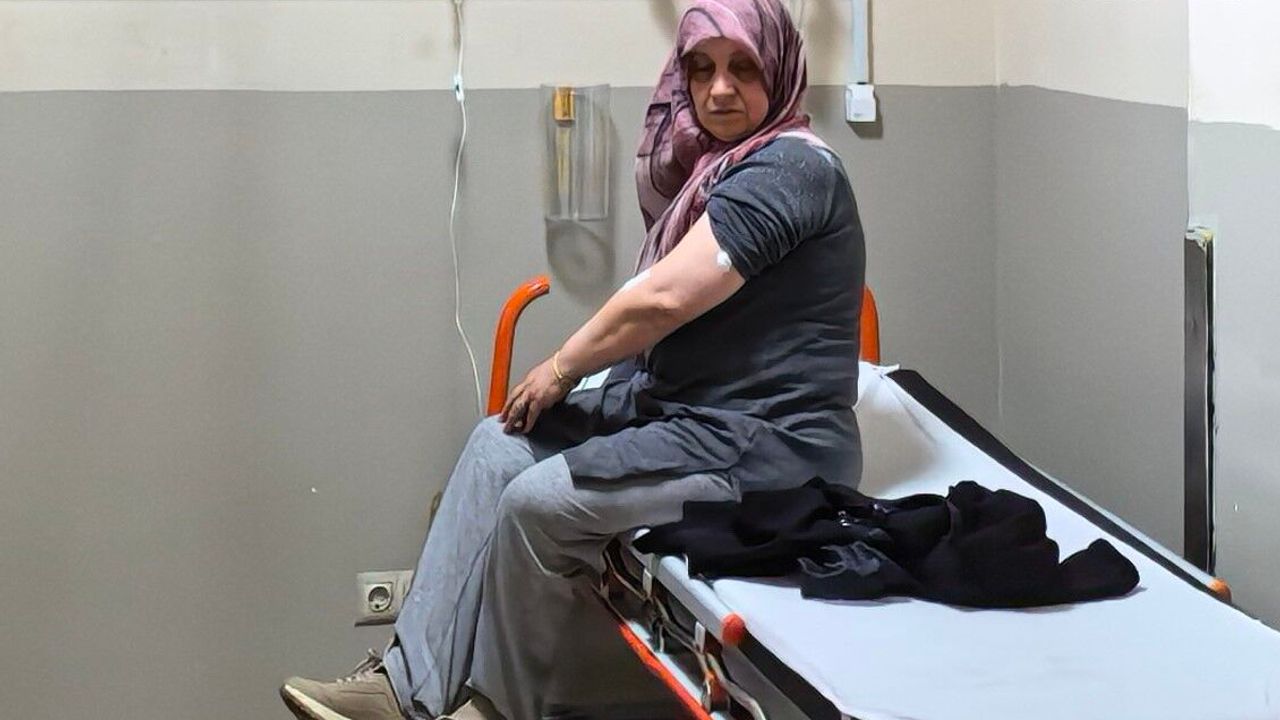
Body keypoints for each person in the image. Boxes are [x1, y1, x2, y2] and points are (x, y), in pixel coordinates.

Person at [280, 1, 865, 718]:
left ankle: (498, 708)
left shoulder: (793, 168)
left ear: (779, 69)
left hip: (767, 445)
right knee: (497, 445)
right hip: (684, 412)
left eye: (743, 67)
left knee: (538, 502)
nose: (718, 89)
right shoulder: (713, 168)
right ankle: (405, 692)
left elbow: (664, 299)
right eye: (701, 68)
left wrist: (562, 367)